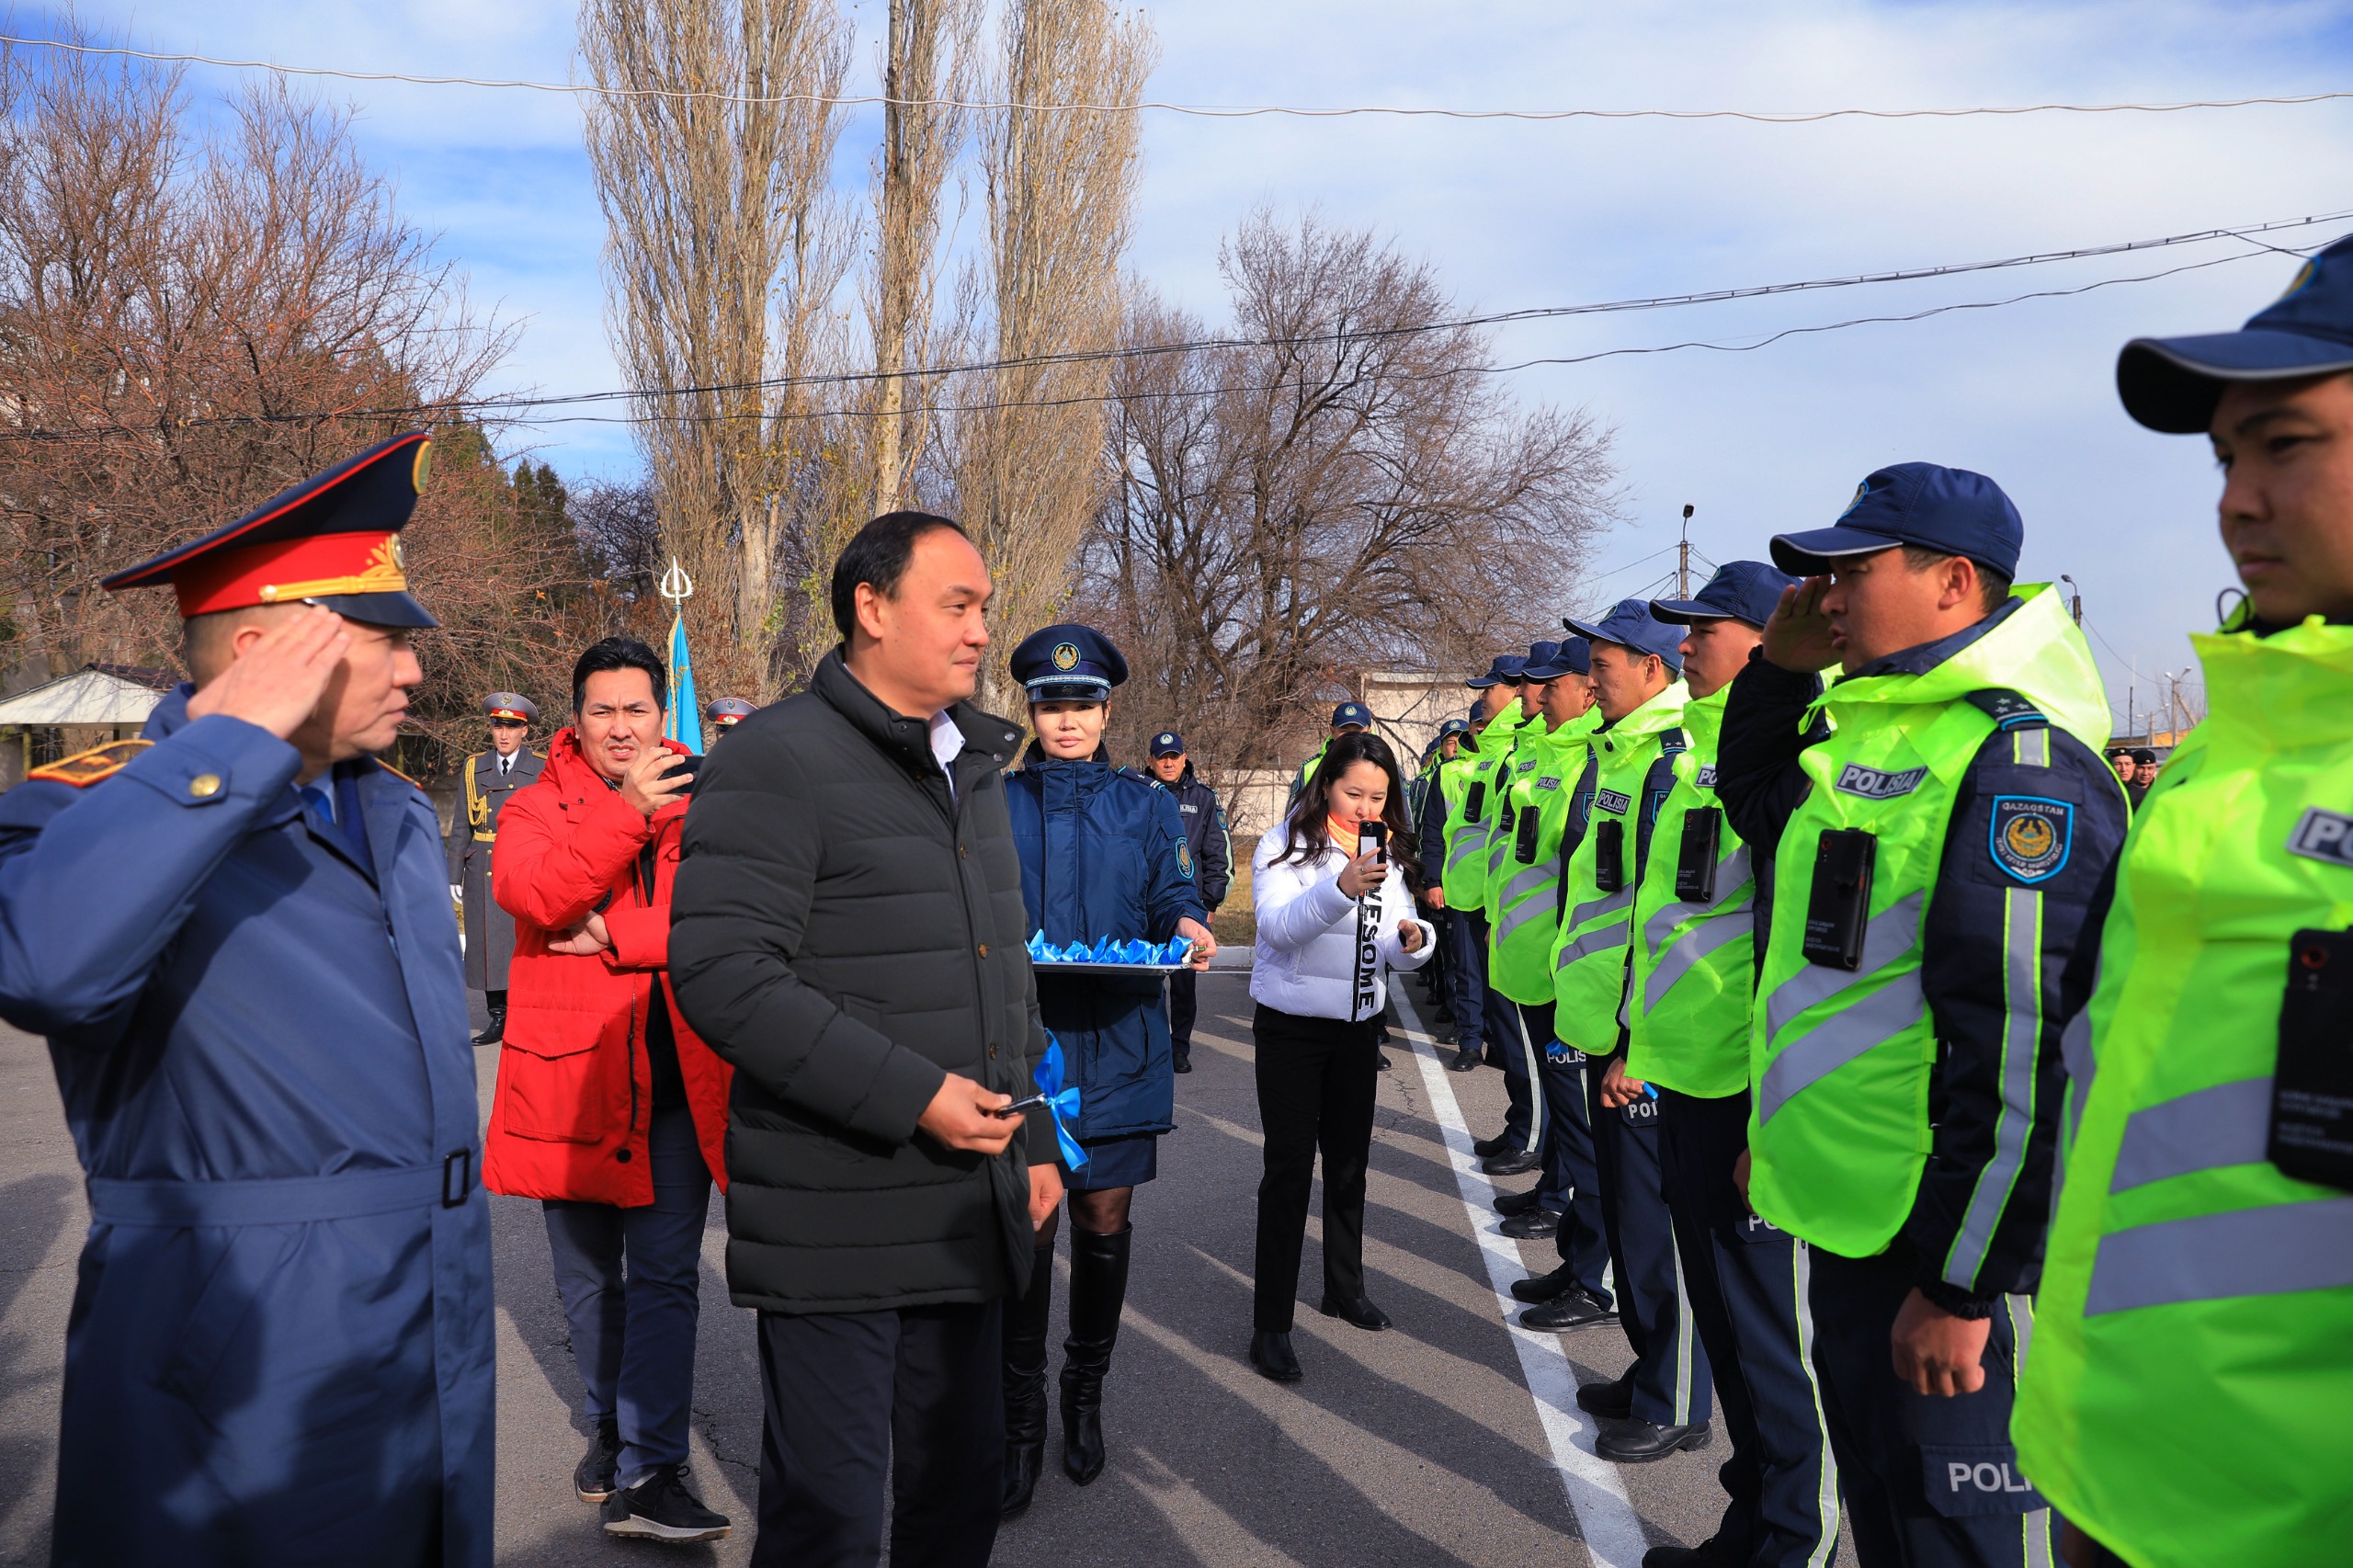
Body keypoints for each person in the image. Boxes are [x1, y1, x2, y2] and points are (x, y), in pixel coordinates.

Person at [0, 432, 494, 1564]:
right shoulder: (97, 806)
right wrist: (223, 749)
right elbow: (46, 966)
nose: (417, 672)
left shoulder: (399, 812)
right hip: (243, 1349)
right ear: (268, 652)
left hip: (428, 1317)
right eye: (383, 644)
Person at [1716, 463, 2128, 1568]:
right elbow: (1757, 809)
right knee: (1891, 1522)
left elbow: (2022, 1042)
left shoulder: (2012, 760)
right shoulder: (1873, 731)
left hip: (1941, 1247)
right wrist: (1774, 672)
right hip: (1854, 1217)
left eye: (1853, 569)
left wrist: (1961, 1281)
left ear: (1953, 582)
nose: (1829, 594)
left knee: (1966, 1538)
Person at [2014, 234, 2353, 1568]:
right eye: (2225, 459)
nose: (2236, 501)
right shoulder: (2237, 743)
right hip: (2111, 1470)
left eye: (2285, 444)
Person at [668, 510, 1062, 1568]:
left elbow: (1000, 976)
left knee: (955, 1494)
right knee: (829, 1521)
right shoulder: (776, 759)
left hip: (965, 1208)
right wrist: (916, 1094)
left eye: (984, 606)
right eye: (958, 604)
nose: (982, 630)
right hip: (837, 1211)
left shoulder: (970, 765)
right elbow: (722, 975)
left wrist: (1032, 1141)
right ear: (871, 607)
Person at [485, 637, 736, 1542]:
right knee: (590, 1280)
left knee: (666, 1274)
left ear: (661, 713)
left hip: (677, 1078)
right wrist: (627, 814)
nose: (623, 727)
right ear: (576, 717)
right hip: (573, 1081)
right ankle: (607, 1422)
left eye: (638, 709)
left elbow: (731, 918)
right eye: (604, 710)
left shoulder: (710, 800)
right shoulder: (531, 803)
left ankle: (652, 1467)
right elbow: (539, 893)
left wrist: (625, 935)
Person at [1628, 562, 1838, 1568]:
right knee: (1731, 1335)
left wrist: (1770, 1107)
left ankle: (1791, 1539)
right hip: (1689, 1077)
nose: (1684, 644)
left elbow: (1783, 940)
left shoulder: (1796, 758)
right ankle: (1748, 1525)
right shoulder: (1692, 759)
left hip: (1750, 1089)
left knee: (1774, 1347)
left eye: (1702, 627)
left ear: (1762, 638)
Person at [998, 634, 1215, 1514]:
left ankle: (1083, 1395)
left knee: (1102, 1217)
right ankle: (1019, 1416)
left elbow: (1172, 896)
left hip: (1123, 1039)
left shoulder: (1147, 805)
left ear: (1106, 712)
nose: (1068, 721)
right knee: (1027, 1222)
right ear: (1033, 714)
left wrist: (1193, 923)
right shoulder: (993, 799)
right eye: (1052, 707)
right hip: (1026, 1046)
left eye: (1082, 706)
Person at [1542, 600, 1713, 1462]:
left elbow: (1660, 915)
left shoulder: (1668, 760)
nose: (1589, 678)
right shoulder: (1622, 754)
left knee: (1655, 1226)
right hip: (1604, 1021)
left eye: (1603, 666)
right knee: (1625, 1210)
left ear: (1654, 670)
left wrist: (1630, 1047)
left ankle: (1678, 1396)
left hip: (1633, 1036)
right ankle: (1654, 1369)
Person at [1246, 730, 1437, 1382]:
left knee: (1350, 1166)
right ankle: (1270, 1324)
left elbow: (1397, 941)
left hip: (1359, 1031)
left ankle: (1343, 1287)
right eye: (1354, 792)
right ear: (1326, 784)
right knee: (1289, 1173)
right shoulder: (1284, 845)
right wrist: (1342, 888)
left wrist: (1415, 940)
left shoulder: (1383, 848)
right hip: (1292, 1033)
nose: (1365, 807)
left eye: (1378, 796)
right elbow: (1276, 929)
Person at [1486, 639, 1611, 1298]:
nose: (1536, 694)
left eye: (1550, 683)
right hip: (1541, 964)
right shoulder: (1548, 752)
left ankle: (1591, 1276)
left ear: (1586, 688)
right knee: (1573, 1127)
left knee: (1587, 1138)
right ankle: (1578, 1262)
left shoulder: (1599, 760)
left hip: (1575, 978)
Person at [1470, 650, 1554, 1171]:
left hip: (1535, 930)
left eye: (1497, 687)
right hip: (1504, 916)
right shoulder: (1514, 749)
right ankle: (1522, 1124)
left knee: (1532, 1048)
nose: (1492, 696)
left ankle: (1530, 1134)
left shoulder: (1546, 749)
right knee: (1510, 1037)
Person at [449, 689, 543, 1044]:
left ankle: (526, 1012)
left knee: (523, 940)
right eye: (497, 726)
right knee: (487, 944)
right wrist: (453, 872)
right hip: (483, 863)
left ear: (525, 731)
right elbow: (462, 823)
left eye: (511, 727)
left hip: (524, 863)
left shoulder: (541, 768)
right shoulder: (475, 767)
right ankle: (498, 1016)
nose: (503, 734)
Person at [1145, 728, 1233, 1074]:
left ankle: (1178, 1048)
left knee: (1183, 986)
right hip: (1145, 907)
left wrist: (1209, 906)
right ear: (1151, 761)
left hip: (1188, 909)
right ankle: (1152, 1048)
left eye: (1174, 757)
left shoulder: (1204, 798)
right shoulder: (1137, 794)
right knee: (1147, 982)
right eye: (1161, 758)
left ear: (1184, 758)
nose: (1168, 763)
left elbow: (1217, 855)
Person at [1286, 699, 1374, 805]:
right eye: (1344, 731)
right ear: (1332, 731)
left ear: (1369, 731)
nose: (1351, 737)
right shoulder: (1311, 768)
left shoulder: (1385, 763)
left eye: (1358, 730)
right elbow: (1294, 816)